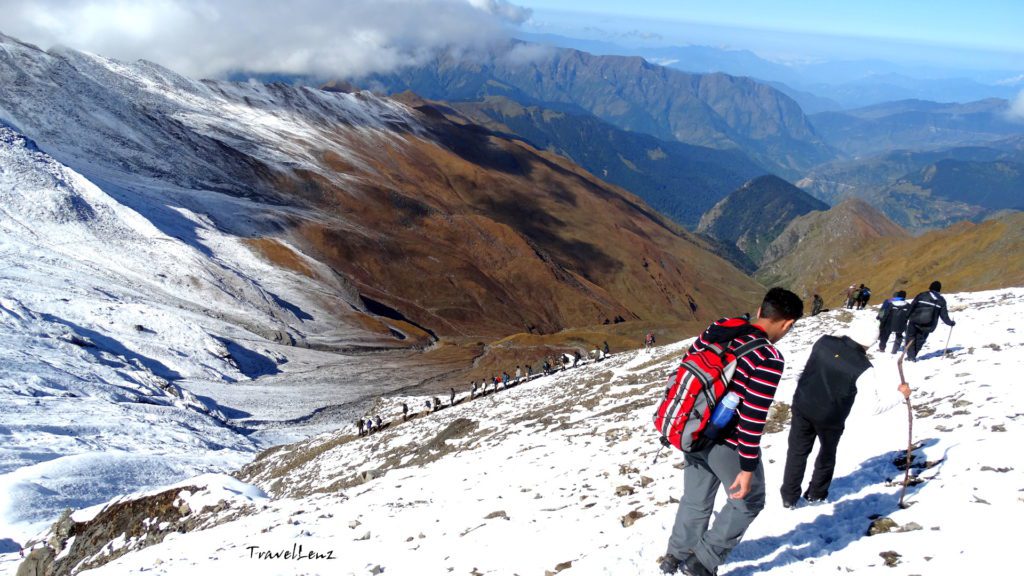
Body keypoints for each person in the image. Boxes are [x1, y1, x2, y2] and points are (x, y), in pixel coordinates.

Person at [662, 288, 804, 576]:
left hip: (690, 429)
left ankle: (675, 557)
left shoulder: (720, 328)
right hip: (725, 441)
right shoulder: (768, 357)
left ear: (760, 310)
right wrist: (748, 466)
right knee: (749, 500)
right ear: (788, 323)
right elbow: (752, 416)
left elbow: (687, 366)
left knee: (695, 499)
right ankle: (701, 563)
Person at [779, 317, 895, 508]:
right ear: (871, 341)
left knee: (797, 451)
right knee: (826, 453)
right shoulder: (864, 367)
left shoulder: (823, 342)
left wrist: (804, 391)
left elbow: (800, 369)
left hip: (803, 404)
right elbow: (874, 407)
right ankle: (816, 494)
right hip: (831, 417)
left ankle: (789, 497)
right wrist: (900, 395)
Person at [905, 281, 955, 361]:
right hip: (928, 324)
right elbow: (944, 315)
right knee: (920, 340)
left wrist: (906, 317)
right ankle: (912, 357)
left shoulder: (921, 295)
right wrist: (950, 323)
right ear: (939, 289)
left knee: (910, 337)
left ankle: (911, 356)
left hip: (914, 321)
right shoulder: (941, 300)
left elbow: (912, 306)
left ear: (930, 287)